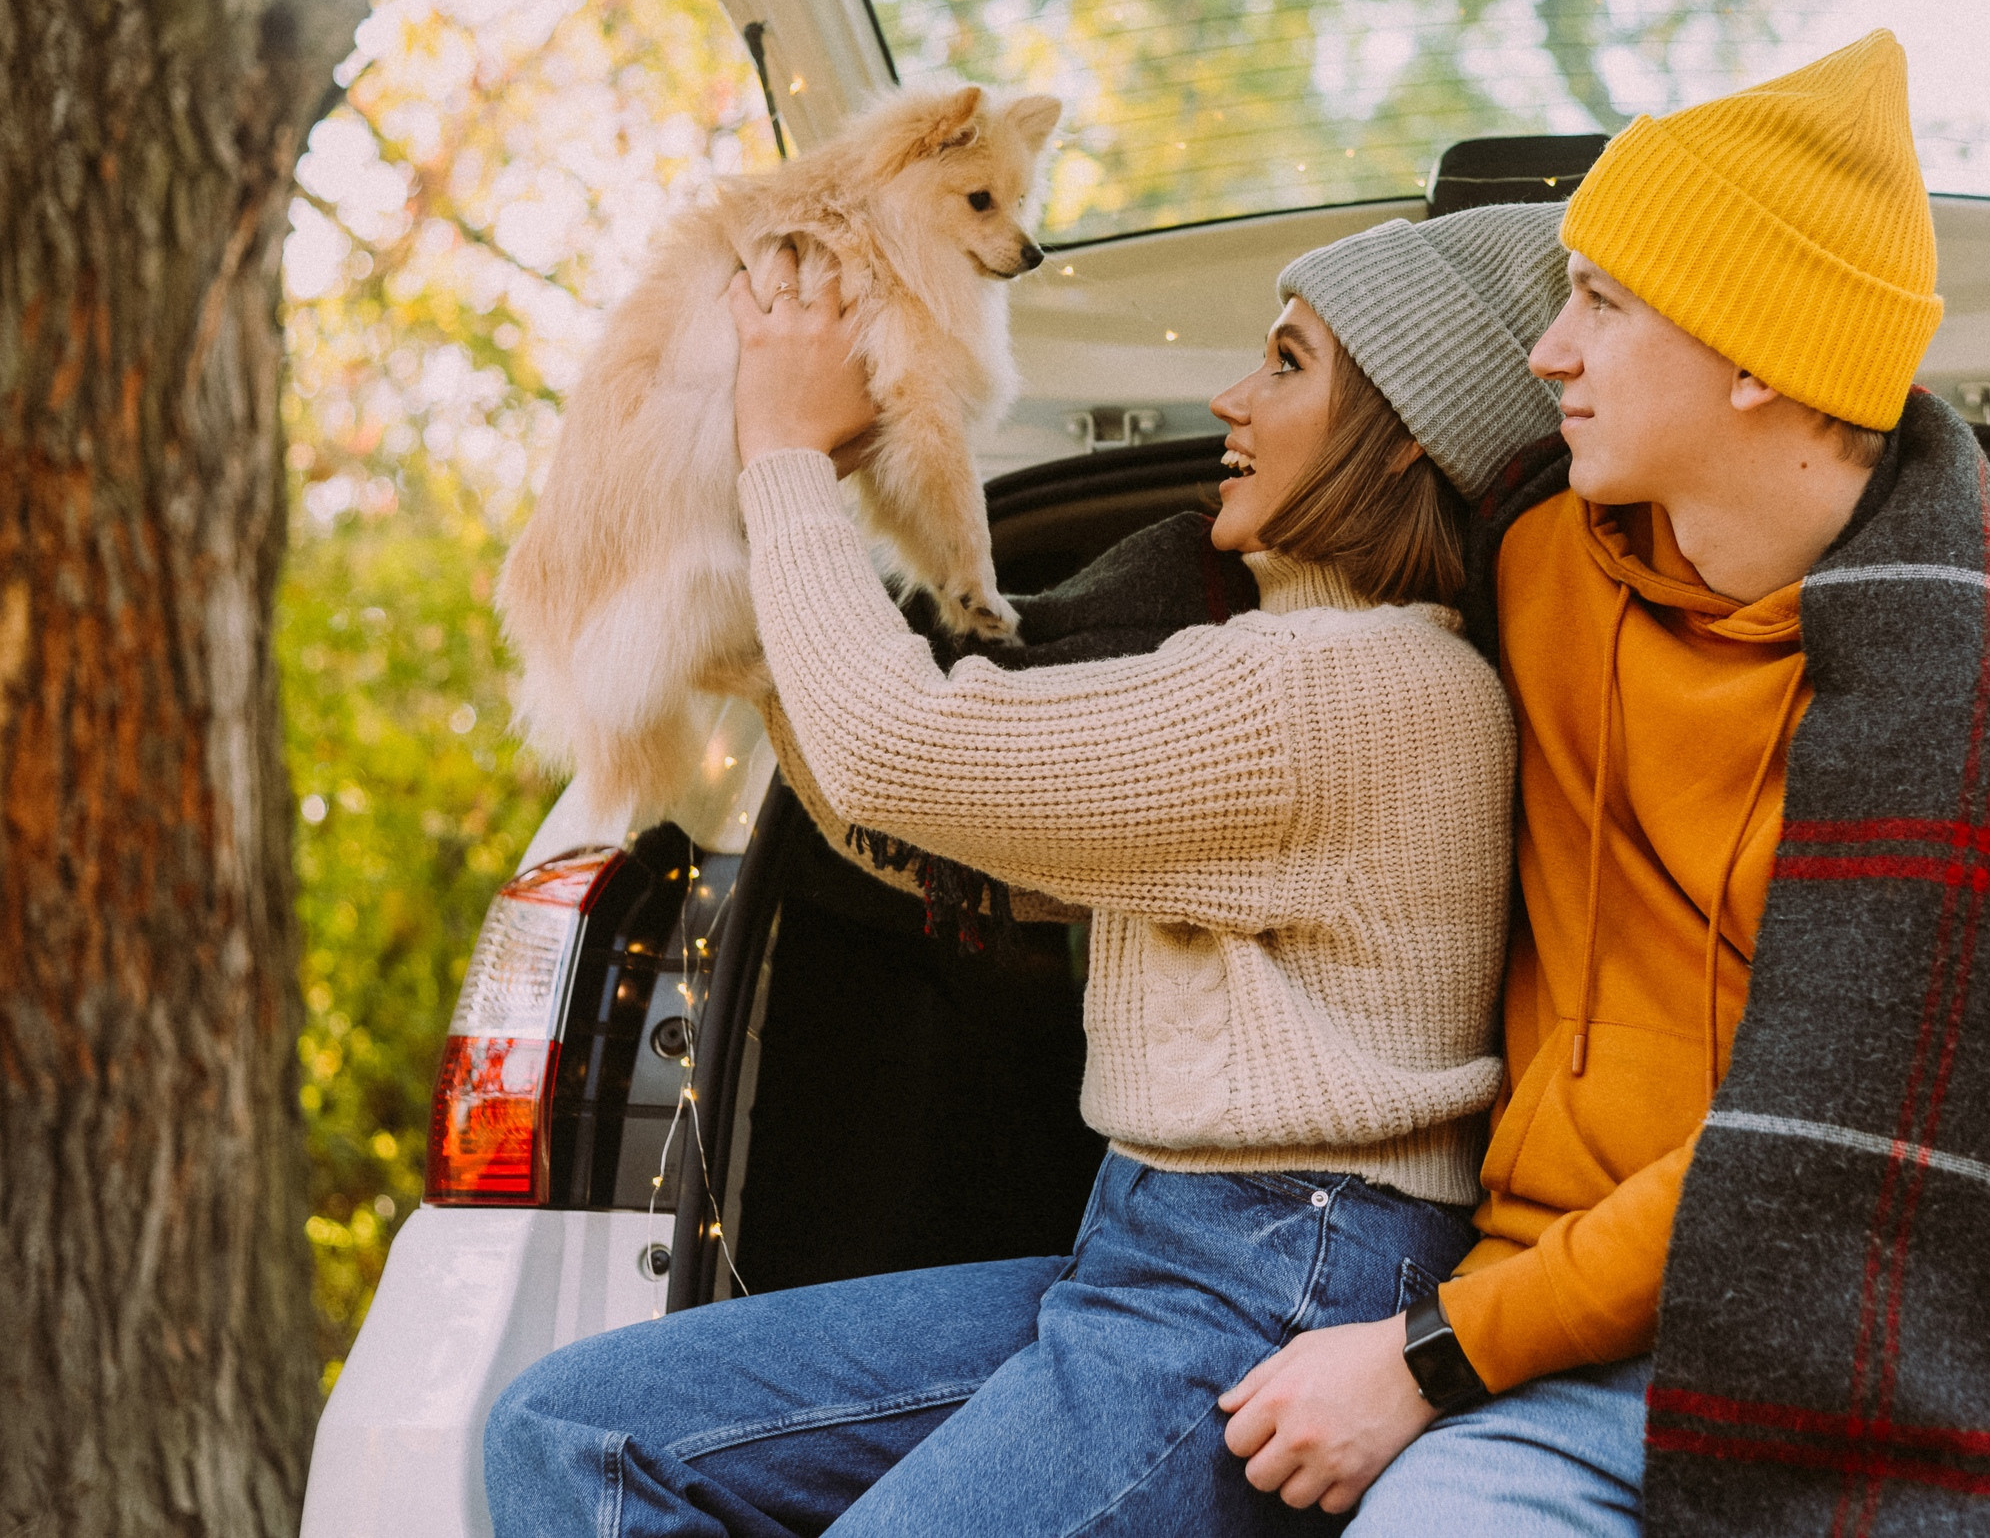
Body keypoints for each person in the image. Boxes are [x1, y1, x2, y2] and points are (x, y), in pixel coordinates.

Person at [1221, 29, 1990, 1537]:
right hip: (1528, 1335)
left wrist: (1425, 1360)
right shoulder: (1536, 552)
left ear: (1759, 357)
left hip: (1843, 1357)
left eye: (1602, 304)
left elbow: (1808, 1152)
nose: (1548, 351)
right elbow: (1288, 515)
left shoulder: (1980, 689)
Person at [478, 203, 1580, 1538]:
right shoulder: (1291, 671)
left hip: (1278, 1272)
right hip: (1156, 1249)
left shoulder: (1346, 689)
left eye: (1287, 363)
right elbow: (960, 843)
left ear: (1406, 431)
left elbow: (900, 750)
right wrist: (767, 652)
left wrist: (786, 456)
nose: (1233, 397)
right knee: (575, 1432)